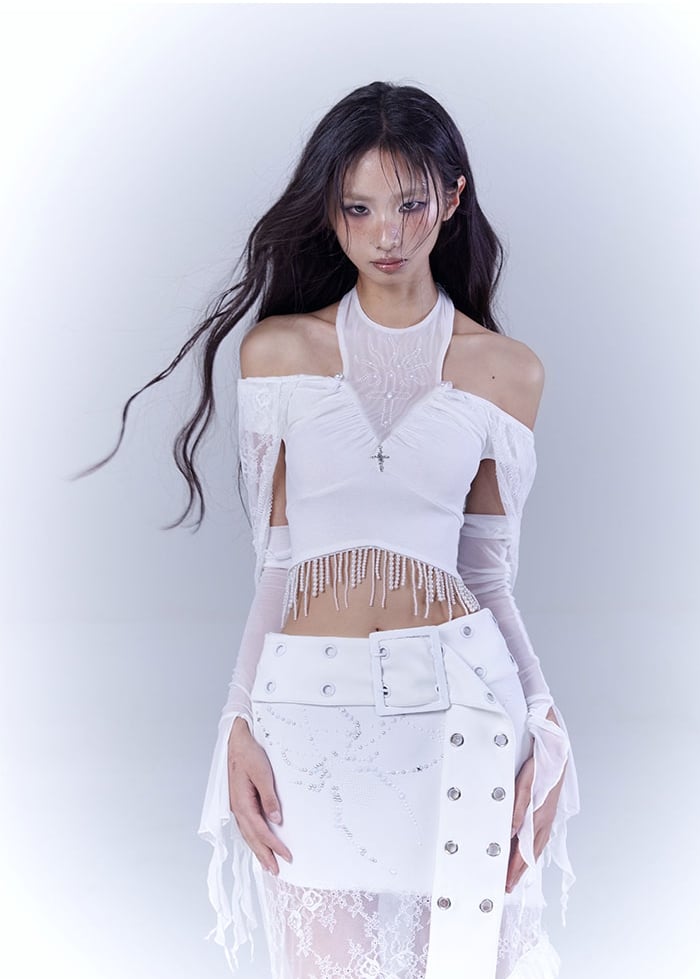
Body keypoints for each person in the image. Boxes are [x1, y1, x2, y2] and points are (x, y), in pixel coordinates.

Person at [76, 80, 580, 979]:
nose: (387, 234)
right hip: (306, 720)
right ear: (331, 211)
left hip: (459, 713)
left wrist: (545, 719)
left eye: (410, 204)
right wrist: (236, 719)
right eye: (358, 208)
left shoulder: (507, 371)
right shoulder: (276, 353)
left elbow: (487, 576)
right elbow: (278, 562)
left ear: (452, 199)